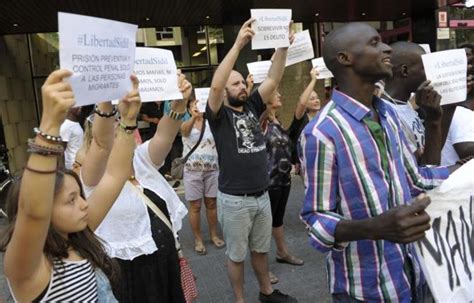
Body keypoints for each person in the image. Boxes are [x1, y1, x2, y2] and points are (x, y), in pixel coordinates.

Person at [299, 23, 459, 302]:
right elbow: (316, 220)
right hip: (366, 289)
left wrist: (464, 171)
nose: (386, 48)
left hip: (413, 276)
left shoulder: (389, 116)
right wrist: (374, 228)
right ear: (345, 58)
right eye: (374, 43)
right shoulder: (322, 132)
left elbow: (414, 180)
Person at [0, 69, 141, 302]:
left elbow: (115, 175)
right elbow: (32, 212)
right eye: (71, 200)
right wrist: (49, 126)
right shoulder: (28, 267)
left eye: (80, 196)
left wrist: (128, 121)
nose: (85, 205)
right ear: (45, 210)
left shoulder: (78, 236)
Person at [206, 18, 297, 303]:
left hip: (261, 196)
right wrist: (238, 44)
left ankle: (267, 294)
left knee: (260, 250)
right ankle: (239, 299)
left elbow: (273, 78)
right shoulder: (219, 115)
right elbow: (216, 87)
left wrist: (282, 47)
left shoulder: (253, 106)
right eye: (235, 83)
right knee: (237, 255)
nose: (241, 87)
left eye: (242, 82)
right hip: (235, 200)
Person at [81, 72, 191, 302]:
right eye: (112, 126)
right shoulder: (92, 174)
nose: (117, 128)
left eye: (119, 125)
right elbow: (102, 144)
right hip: (125, 270)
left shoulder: (141, 158)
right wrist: (109, 101)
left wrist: (178, 105)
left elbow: (166, 134)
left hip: (164, 259)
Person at [260, 90, 304, 273]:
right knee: (262, 227)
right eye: (275, 93)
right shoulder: (261, 122)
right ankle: (262, 267)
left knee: (277, 220)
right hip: (268, 182)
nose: (280, 95)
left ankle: (282, 252)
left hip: (284, 180)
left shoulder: (277, 121)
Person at [383, 41, 444, 165]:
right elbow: (426, 171)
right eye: (425, 68)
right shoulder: (387, 114)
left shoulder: (406, 106)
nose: (430, 75)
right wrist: (433, 120)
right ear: (405, 70)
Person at [181, 98, 224, 255]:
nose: (197, 107)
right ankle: (198, 239)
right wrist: (194, 117)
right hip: (192, 170)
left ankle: (213, 235)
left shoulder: (212, 123)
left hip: (213, 169)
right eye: (194, 104)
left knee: (212, 203)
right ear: (189, 108)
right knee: (195, 206)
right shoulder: (186, 122)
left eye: (200, 104)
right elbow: (184, 132)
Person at [287, 67, 321, 174]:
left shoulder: (324, 116)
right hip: (306, 161)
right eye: (311, 99)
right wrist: (313, 80)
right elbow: (302, 103)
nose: (316, 100)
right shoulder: (301, 118)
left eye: (317, 97)